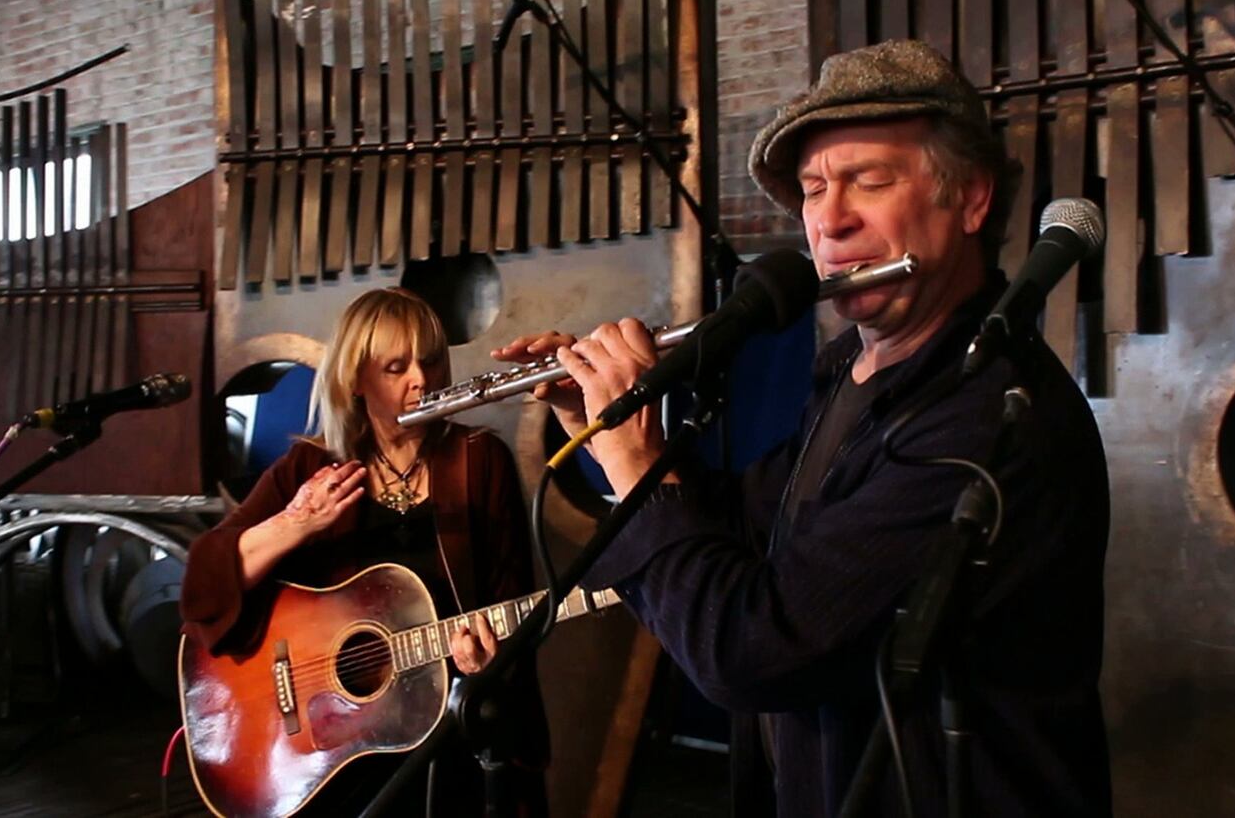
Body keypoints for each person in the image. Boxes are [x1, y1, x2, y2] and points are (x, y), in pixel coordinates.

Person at [494, 40, 1111, 817]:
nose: (829, 220)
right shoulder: (849, 372)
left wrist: (633, 457)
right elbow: (737, 527)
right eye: (815, 190)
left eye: (870, 182)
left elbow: (750, 651)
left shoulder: (987, 416)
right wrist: (600, 426)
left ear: (973, 198)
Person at [181, 287, 548, 816]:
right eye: (396, 367)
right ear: (356, 380)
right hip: (336, 742)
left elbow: (511, 597)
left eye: (430, 361)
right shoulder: (308, 469)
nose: (421, 380)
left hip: (447, 733)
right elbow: (203, 585)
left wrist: (488, 664)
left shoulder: (479, 458)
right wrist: (294, 523)